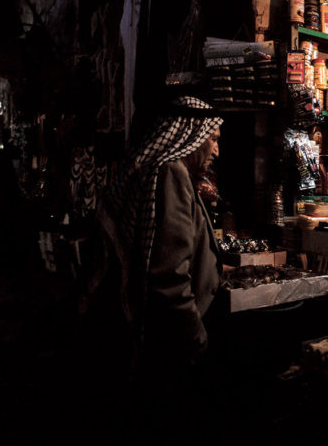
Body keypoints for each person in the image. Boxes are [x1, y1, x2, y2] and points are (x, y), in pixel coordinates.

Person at [78, 95, 225, 443]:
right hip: (170, 341)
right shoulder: (170, 172)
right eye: (214, 138)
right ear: (191, 134)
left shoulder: (166, 170)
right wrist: (196, 338)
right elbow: (168, 274)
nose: (216, 150)